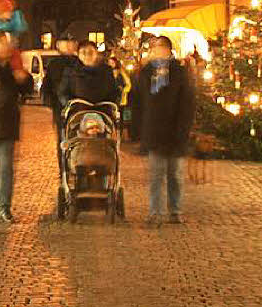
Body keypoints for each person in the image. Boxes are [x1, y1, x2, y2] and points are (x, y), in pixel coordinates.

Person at [136, 35, 197, 225]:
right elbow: (139, 101)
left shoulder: (179, 71)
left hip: (176, 130)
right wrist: (139, 128)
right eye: (153, 48)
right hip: (155, 130)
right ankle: (155, 212)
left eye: (160, 48)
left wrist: (184, 128)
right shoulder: (146, 72)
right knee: (155, 175)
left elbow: (188, 102)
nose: (156, 51)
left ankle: (175, 211)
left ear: (169, 50)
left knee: (175, 174)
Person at [0, 31, 33, 222]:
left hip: (7, 123)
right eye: (1, 43)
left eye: (7, 43)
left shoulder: (14, 66)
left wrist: (24, 78)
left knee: (5, 168)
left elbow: (27, 89)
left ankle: (3, 207)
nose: (6, 47)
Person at [40, 35, 78, 170]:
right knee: (63, 139)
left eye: (70, 43)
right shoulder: (54, 64)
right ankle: (64, 171)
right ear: (58, 46)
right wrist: (51, 101)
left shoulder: (79, 62)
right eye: (65, 43)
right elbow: (47, 86)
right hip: (60, 108)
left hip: (79, 106)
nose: (68, 46)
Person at [58, 41, 122, 107]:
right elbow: (62, 93)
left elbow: (114, 92)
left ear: (96, 53)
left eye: (91, 52)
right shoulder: (70, 71)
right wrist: (70, 106)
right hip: (78, 112)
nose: (87, 55)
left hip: (103, 112)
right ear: (78, 54)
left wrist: (111, 106)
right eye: (83, 52)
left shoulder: (106, 70)